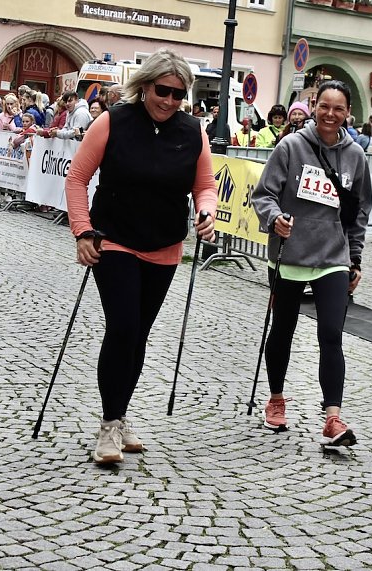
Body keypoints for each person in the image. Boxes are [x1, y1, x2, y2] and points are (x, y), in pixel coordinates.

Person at [65, 47, 217, 464]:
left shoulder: (193, 131)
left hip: (164, 246)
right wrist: (82, 230)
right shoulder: (113, 121)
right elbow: (77, 178)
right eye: (162, 91)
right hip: (114, 239)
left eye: (178, 94)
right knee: (123, 327)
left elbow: (205, 186)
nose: (169, 100)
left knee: (140, 334)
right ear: (145, 86)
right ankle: (109, 424)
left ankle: (120, 413)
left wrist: (207, 212)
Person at [251, 80, 372, 446]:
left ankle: (333, 418)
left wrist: (355, 258)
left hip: (333, 258)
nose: (330, 115)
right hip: (291, 254)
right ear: (314, 107)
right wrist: (275, 219)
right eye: (324, 107)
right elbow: (264, 194)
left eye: (338, 109)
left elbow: (359, 212)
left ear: (348, 113)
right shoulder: (290, 146)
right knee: (283, 330)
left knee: (331, 335)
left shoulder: (356, 156)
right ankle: (276, 399)